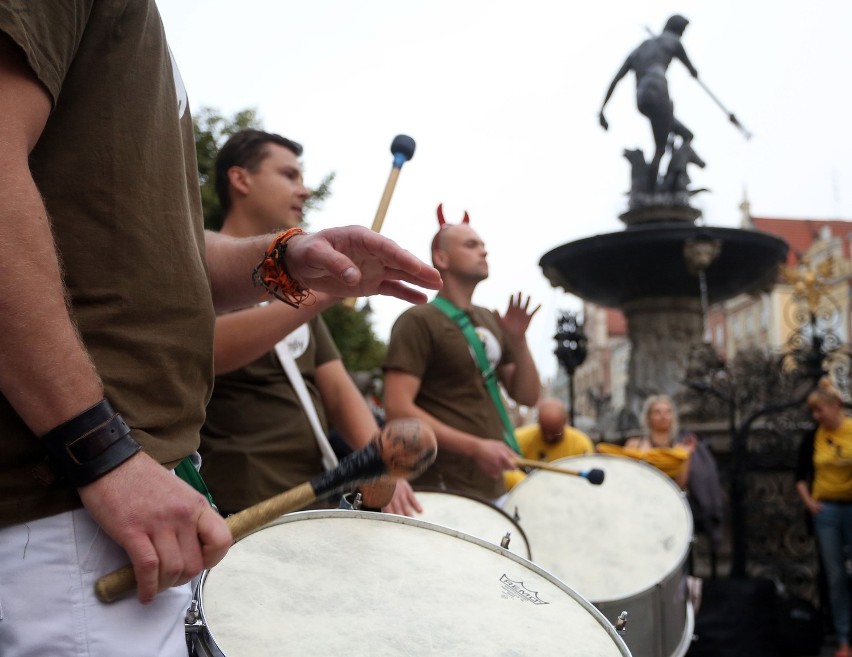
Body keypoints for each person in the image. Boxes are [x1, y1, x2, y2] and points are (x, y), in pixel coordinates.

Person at [0, 6, 441, 656]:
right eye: (287, 174)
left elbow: (164, 257)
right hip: (73, 497)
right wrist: (101, 452)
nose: (303, 187)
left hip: (138, 501)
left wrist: (284, 259)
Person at [199, 129, 420, 516]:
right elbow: (203, 350)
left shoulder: (298, 291)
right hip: (237, 509)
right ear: (240, 179)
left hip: (315, 504)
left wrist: (380, 461)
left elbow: (335, 388)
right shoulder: (198, 266)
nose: (304, 191)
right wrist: (326, 292)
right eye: (289, 176)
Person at [383, 209, 541, 501]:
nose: (483, 251)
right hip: (440, 485)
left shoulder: (490, 319)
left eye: (482, 245)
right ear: (441, 258)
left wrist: (518, 341)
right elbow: (397, 408)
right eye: (471, 245)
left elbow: (528, 397)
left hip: (491, 484)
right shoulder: (418, 320)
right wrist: (475, 447)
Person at [598, 14, 699, 190]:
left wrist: (602, 109)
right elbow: (692, 69)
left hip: (641, 97)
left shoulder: (641, 48)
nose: (682, 35)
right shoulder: (673, 41)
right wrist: (694, 72)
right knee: (661, 149)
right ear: (677, 29)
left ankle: (669, 179)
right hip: (658, 89)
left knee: (682, 134)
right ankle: (655, 189)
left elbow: (616, 79)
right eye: (682, 31)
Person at [796, 378, 852, 657]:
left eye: (821, 410)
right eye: (813, 412)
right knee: (835, 576)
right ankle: (843, 639)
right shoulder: (813, 436)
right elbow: (800, 475)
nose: (817, 417)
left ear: (836, 406)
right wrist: (809, 502)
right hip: (826, 511)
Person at [504, 398, 594, 490]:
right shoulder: (518, 439)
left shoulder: (581, 444)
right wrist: (527, 484)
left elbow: (585, 481)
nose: (549, 437)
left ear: (565, 421)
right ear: (538, 422)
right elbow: (505, 468)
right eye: (545, 431)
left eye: (555, 432)